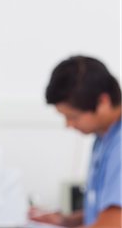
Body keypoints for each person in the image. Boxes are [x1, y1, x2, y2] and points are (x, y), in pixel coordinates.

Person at [30, 56, 121, 228]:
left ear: (103, 102)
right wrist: (67, 221)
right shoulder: (103, 137)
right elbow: (108, 210)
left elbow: (114, 223)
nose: (68, 125)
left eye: (73, 117)